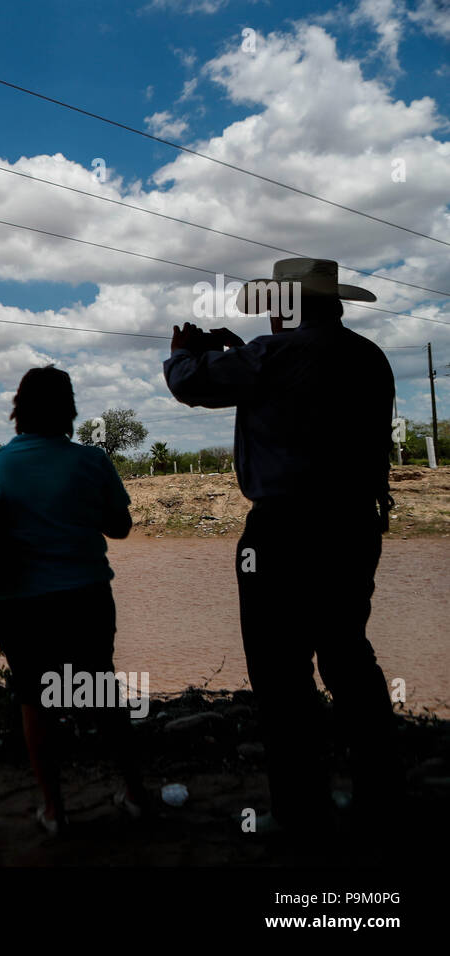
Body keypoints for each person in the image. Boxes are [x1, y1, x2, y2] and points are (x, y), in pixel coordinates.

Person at [163, 257, 403, 836]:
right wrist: (236, 351)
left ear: (288, 308)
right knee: (348, 657)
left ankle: (301, 810)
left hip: (285, 533)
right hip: (354, 527)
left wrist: (183, 352)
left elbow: (190, 383)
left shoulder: (271, 357)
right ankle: (379, 798)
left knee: (281, 673)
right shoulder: (369, 357)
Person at [0, 365, 146, 835]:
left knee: (35, 699)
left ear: (17, 410)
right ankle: (135, 794)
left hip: (15, 604)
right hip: (84, 597)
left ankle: (54, 810)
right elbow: (121, 527)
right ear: (69, 410)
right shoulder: (90, 461)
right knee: (101, 690)